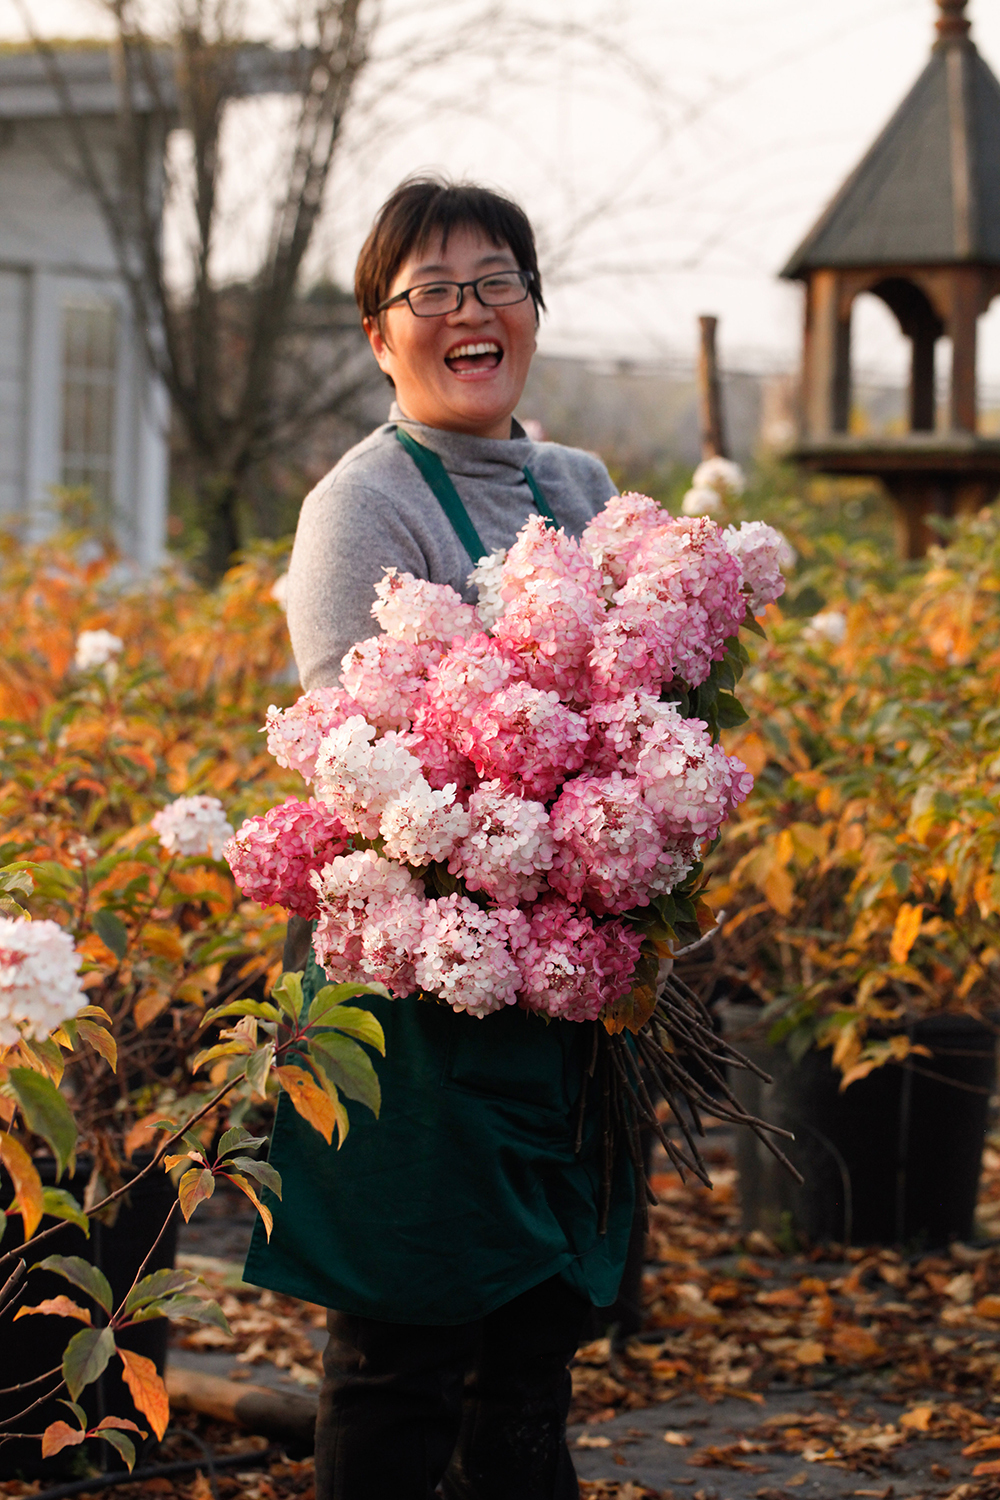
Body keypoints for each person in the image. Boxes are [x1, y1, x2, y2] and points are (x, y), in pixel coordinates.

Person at [243, 176, 635, 1500]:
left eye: (497, 282)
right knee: (404, 1349)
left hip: (566, 975)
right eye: (433, 291)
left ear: (532, 307)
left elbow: (650, 704)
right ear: (378, 332)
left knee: (533, 1341)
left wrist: (631, 822)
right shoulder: (357, 509)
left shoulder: (582, 483)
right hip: (415, 978)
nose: (471, 313)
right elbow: (373, 772)